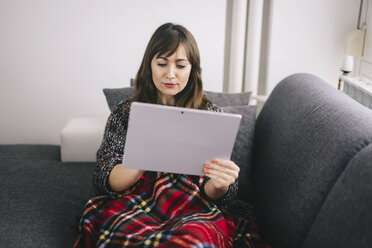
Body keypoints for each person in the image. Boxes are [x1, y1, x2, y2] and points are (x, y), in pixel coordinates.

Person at [74, 23, 270, 248]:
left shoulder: (210, 115)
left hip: (194, 207)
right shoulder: (126, 113)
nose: (170, 74)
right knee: (123, 236)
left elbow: (217, 192)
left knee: (194, 240)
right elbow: (104, 178)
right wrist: (146, 154)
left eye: (180, 65)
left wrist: (220, 183)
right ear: (150, 66)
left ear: (192, 69)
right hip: (137, 202)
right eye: (161, 63)